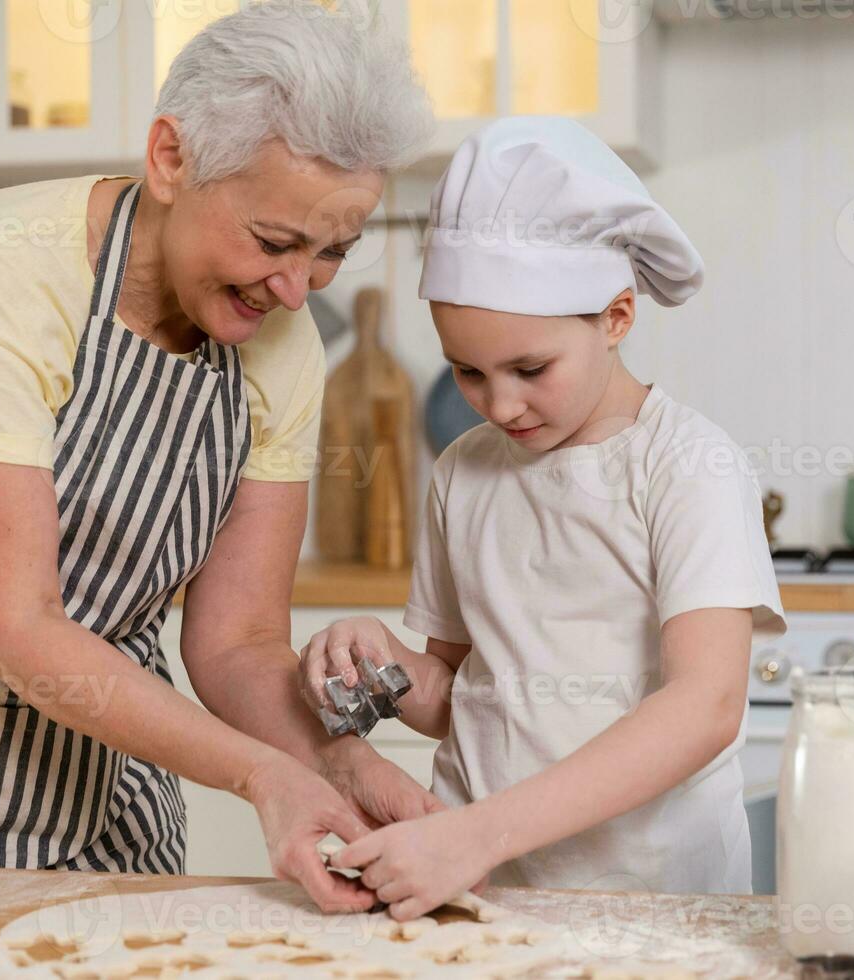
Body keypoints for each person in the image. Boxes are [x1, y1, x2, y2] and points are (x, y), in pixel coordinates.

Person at [0, 0, 434, 911]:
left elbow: (238, 642)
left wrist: (340, 763)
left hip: (94, 748)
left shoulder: (281, 347)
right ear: (170, 157)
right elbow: (11, 621)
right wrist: (261, 778)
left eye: (332, 253)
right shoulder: (8, 260)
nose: (296, 290)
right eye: (273, 242)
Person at [299, 117, 788, 919]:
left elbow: (704, 706)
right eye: (469, 372)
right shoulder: (464, 473)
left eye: (530, 368)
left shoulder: (687, 465)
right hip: (486, 893)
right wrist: (383, 663)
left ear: (617, 318)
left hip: (656, 900)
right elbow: (460, 694)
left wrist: (479, 835)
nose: (499, 404)